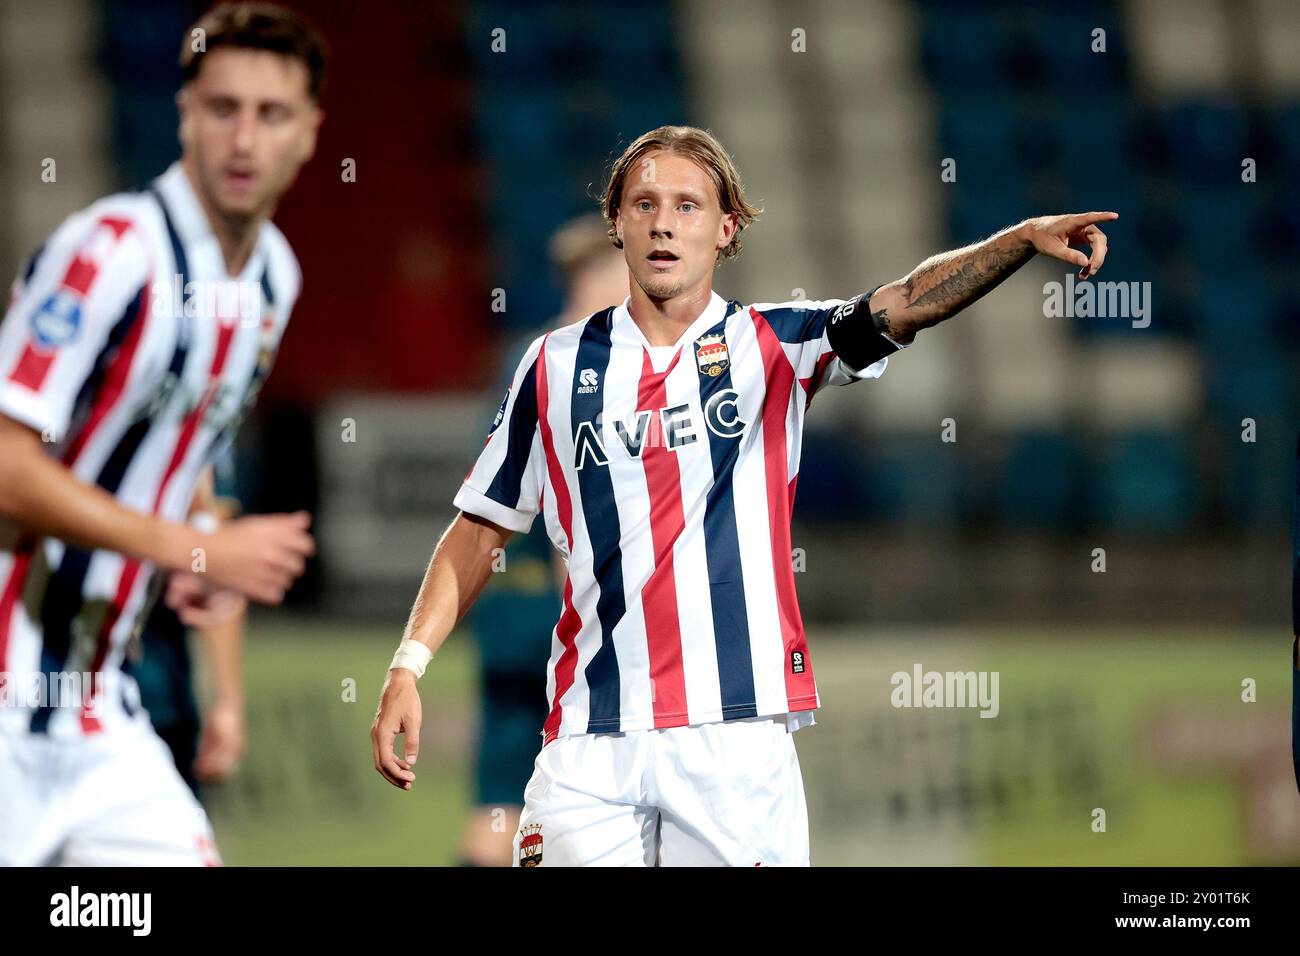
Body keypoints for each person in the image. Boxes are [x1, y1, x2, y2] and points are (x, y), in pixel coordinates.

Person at [371, 125, 1116, 866]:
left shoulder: (778, 345)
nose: (665, 221)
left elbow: (908, 302)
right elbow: (477, 532)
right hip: (588, 740)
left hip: (735, 737)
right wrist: (409, 662)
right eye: (644, 204)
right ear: (617, 225)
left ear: (727, 228)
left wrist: (1018, 240)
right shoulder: (552, 367)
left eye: (689, 205)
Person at [0, 2, 324, 866]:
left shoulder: (272, 281)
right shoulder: (109, 252)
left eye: (272, 113)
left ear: (311, 132)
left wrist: (220, 669)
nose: (244, 139)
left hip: (101, 708)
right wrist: (188, 548)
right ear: (185, 113)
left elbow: (176, 471)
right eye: (223, 109)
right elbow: (5, 467)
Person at [457, 214, 628, 866]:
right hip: (566, 619)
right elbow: (568, 501)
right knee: (599, 813)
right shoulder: (584, 361)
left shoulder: (522, 353)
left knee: (497, 803)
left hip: (507, 612)